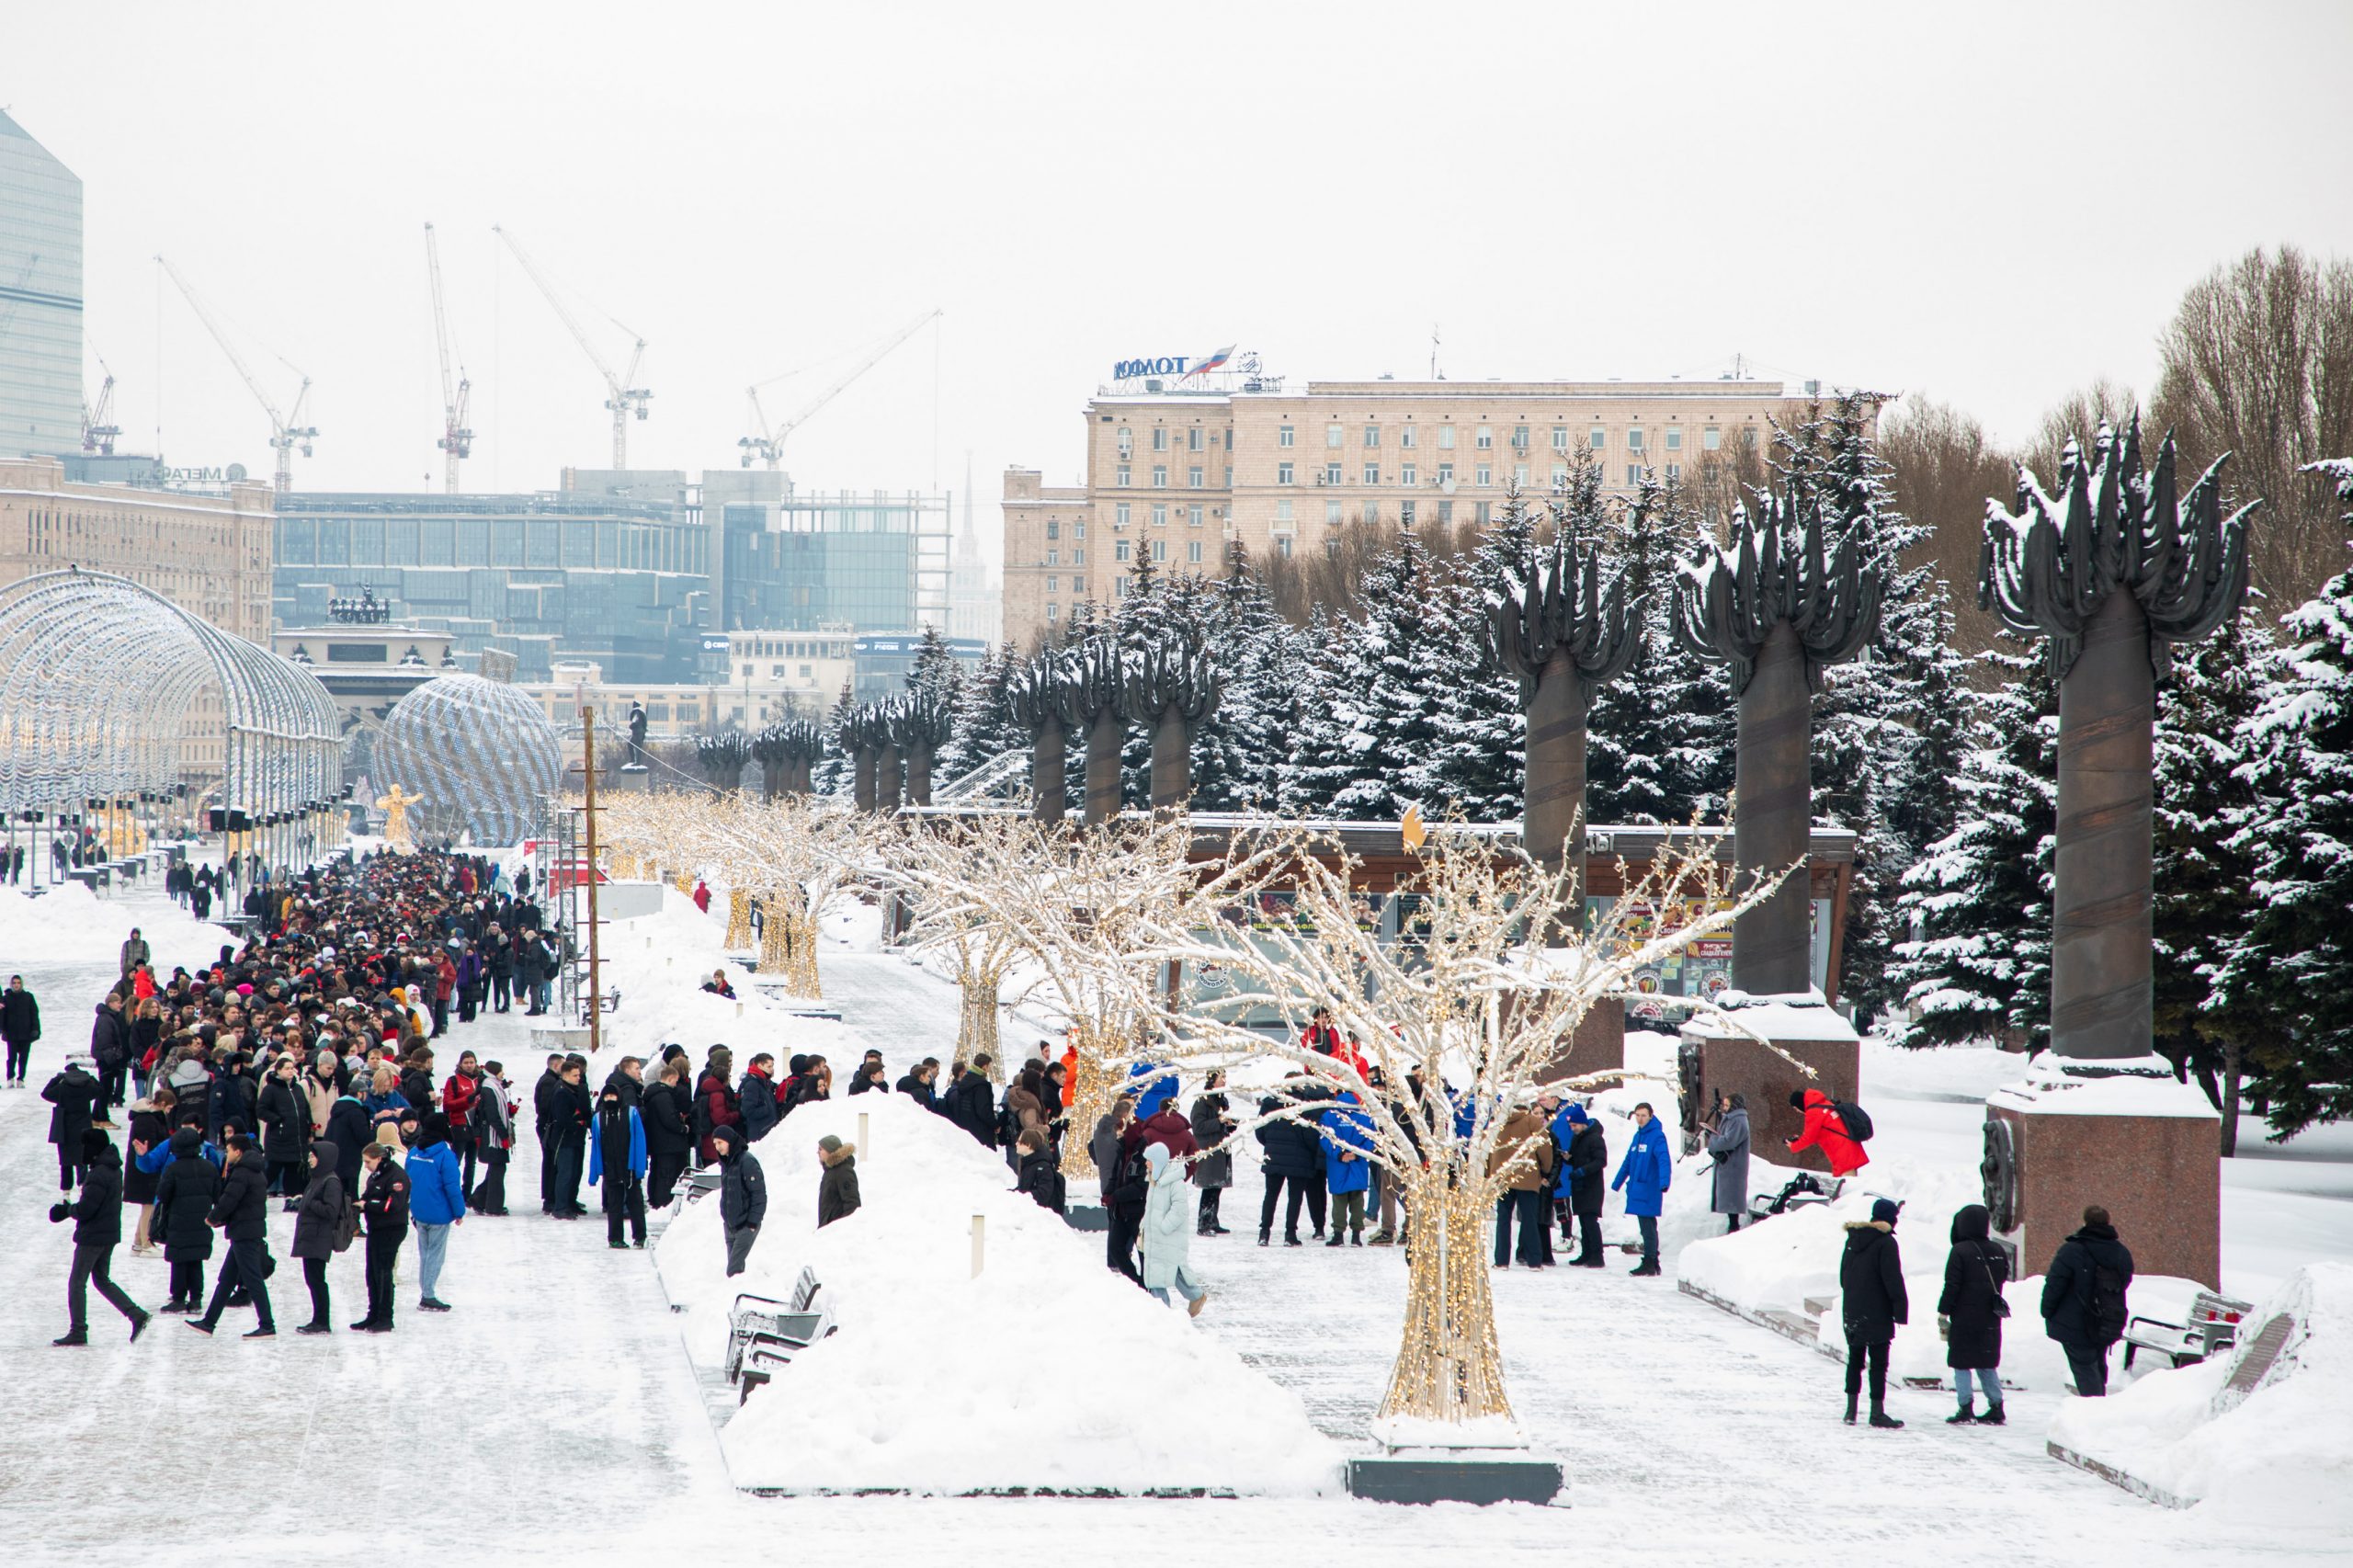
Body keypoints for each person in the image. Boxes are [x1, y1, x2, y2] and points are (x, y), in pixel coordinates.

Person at [49, 1131, 150, 1346]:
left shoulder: (98, 1174)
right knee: (101, 1280)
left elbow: (87, 1209)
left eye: (84, 1146)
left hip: (93, 1235)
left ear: (93, 1149)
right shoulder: (112, 1169)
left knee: (77, 1282)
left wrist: (67, 1210)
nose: (81, 1152)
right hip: (108, 1233)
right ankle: (135, 1314)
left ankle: (78, 1331)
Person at [2040, 1204, 2134, 1398]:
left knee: (2085, 1369)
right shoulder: (2120, 1252)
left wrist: (2047, 1310)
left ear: (2085, 1222)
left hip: (2074, 1321)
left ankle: (2095, 1411)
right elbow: (2123, 1283)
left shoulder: (2072, 1250)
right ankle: (2099, 1401)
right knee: (2097, 1363)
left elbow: (2055, 1284)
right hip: (2107, 1319)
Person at [190, 1134, 276, 1337]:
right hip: (245, 1231)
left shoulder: (242, 1172)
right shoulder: (253, 1170)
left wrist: (213, 1218)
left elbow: (229, 1199)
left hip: (245, 1232)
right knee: (227, 1280)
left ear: (238, 1151)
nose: (226, 1154)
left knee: (253, 1279)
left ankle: (267, 1325)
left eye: (228, 1151)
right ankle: (209, 1322)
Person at [1840, 1197, 1909, 1427]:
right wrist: (1900, 1311)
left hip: (1853, 1309)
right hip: (1877, 1311)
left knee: (1855, 1360)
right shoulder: (1886, 1243)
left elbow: (1844, 1276)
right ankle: (1877, 1413)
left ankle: (1851, 1412)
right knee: (1878, 1364)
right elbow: (1893, 1280)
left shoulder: (1853, 1238)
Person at [1938, 1202, 2009, 1425]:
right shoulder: (1998, 1250)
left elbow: (1952, 1284)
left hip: (1964, 1315)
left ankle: (1965, 1406)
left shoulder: (1960, 1251)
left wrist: (1943, 1311)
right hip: (1990, 1315)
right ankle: (1996, 1406)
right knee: (1986, 1361)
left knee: (1961, 1362)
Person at [152, 1126, 222, 1312]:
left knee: (179, 1261)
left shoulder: (173, 1170)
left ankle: (178, 1298)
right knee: (195, 1260)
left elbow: (163, 1195)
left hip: (178, 1222)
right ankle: (196, 1299)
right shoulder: (209, 1167)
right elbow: (218, 1195)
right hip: (202, 1222)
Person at [1141, 1142, 1210, 1316]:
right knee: (1160, 1274)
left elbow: (1180, 1210)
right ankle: (1167, 1309)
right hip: (1156, 1237)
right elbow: (1150, 1209)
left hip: (1168, 1237)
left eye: (1149, 1160)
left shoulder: (1173, 1182)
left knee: (1171, 1271)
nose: (1146, 1163)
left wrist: (1163, 1227)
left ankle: (1165, 1312)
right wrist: (1144, 1227)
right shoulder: (1153, 1181)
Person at [406, 1112, 465, 1312]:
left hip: (419, 1211)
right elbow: (452, 1187)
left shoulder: (413, 1152)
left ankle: (426, 1291)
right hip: (439, 1214)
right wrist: (459, 1212)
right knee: (435, 1255)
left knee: (425, 1253)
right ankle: (428, 1294)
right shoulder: (445, 1156)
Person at [352, 1141, 410, 1333]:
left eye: (368, 1162)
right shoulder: (376, 1175)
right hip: (376, 1229)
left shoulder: (397, 1176)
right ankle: (374, 1314)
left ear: (379, 1158)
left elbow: (392, 1205)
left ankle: (385, 1317)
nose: (366, 1166)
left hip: (391, 1229)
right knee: (372, 1273)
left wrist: (367, 1206)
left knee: (384, 1273)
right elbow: (369, 1197)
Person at [1489, 1099, 1555, 1267]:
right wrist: (1545, 1169)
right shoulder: (1531, 1120)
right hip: (1527, 1176)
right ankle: (1534, 1261)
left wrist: (1490, 1173)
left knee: (1503, 1219)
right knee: (1529, 1219)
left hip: (1502, 1177)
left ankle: (1501, 1261)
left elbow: (1487, 1148)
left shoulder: (1498, 1121)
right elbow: (1544, 1146)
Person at [290, 1137, 346, 1334]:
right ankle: (318, 1319)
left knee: (316, 1280)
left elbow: (331, 1210)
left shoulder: (331, 1182)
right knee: (312, 1279)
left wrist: (310, 1202)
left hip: (318, 1238)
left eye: (313, 1156)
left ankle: (322, 1321)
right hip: (310, 1236)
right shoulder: (317, 1178)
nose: (310, 1159)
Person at [1611, 1101, 1671, 1276]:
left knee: (1648, 1227)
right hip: (1638, 1188)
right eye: (1637, 1115)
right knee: (1646, 1226)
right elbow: (1628, 1161)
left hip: (1649, 1188)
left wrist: (1664, 1181)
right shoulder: (1638, 1136)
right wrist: (1618, 1182)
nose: (1640, 1119)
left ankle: (1650, 1262)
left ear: (1651, 1116)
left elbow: (1663, 1160)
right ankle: (1653, 1261)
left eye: (1644, 1115)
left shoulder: (1657, 1136)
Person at [1255, 1092, 1321, 1247]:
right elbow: (1311, 1135)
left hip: (1274, 1157)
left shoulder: (1269, 1103)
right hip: (1300, 1158)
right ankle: (1290, 1234)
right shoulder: (1304, 1105)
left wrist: (1270, 1143)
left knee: (1270, 1195)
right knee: (1295, 1197)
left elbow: (1259, 1129)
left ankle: (1264, 1233)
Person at [589, 1081, 650, 1248]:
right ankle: (614, 1238)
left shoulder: (631, 1114)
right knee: (614, 1205)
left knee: (635, 1203)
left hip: (629, 1168)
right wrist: (595, 1171)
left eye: (612, 1096)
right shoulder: (599, 1118)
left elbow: (639, 1140)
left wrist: (638, 1167)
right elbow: (596, 1146)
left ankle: (640, 1236)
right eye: (607, 1096)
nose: (610, 1099)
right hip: (611, 1168)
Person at [1323, 1092, 1378, 1249]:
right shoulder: (1365, 1117)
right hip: (1358, 1165)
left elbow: (1324, 1139)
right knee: (1357, 1200)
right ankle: (1356, 1237)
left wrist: (1339, 1154)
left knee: (1339, 1201)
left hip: (1337, 1165)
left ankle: (1338, 1235)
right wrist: (1357, 1153)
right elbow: (1372, 1139)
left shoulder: (1329, 1116)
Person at [257, 1052, 313, 1204]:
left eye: (292, 1068)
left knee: (293, 1169)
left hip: (297, 1138)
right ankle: (255, 1193)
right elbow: (261, 1110)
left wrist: (310, 1127)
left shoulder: (297, 1088)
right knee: (272, 1170)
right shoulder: (271, 1089)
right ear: (279, 1071)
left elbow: (305, 1110)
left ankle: (292, 1199)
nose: (291, 1071)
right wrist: (277, 1120)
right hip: (279, 1138)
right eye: (287, 1068)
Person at [43, 1054, 104, 1191]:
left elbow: (45, 1094)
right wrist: (91, 1078)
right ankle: (83, 1184)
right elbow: (100, 1090)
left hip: (64, 1126)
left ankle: (66, 1190)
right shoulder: (87, 1087)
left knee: (65, 1159)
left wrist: (57, 1078)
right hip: (84, 1126)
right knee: (82, 1157)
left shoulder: (62, 1088)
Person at [713, 1125, 766, 1276]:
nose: (717, 1147)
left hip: (745, 1225)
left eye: (720, 1143)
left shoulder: (747, 1161)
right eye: (715, 1144)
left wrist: (752, 1223)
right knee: (735, 1271)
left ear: (729, 1141)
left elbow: (759, 1195)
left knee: (733, 1270)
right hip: (730, 1225)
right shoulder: (727, 1162)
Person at [642, 1058, 693, 1209]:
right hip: (668, 1143)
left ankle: (655, 1198)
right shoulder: (664, 1096)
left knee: (658, 1171)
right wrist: (683, 1128)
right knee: (666, 1174)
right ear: (670, 1078)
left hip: (658, 1141)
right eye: (675, 1081)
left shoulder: (653, 1093)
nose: (676, 1084)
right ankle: (663, 1202)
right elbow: (669, 1119)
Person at [1189, 1070, 1234, 1236]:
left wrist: (1231, 1124)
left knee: (1216, 1188)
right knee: (1209, 1188)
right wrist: (1219, 1121)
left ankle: (1212, 1221)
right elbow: (1198, 1126)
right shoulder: (1202, 1101)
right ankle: (1203, 1224)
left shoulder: (1222, 1100)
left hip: (1220, 1148)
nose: (1224, 1080)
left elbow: (1222, 1124)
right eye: (1221, 1077)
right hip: (1209, 1150)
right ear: (1212, 1080)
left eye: (1225, 1076)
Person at [467, 1060, 515, 1215]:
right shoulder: (489, 1088)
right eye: (501, 1071)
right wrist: (504, 1135)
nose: (503, 1074)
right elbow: (493, 1115)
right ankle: (493, 1206)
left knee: (496, 1169)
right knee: (497, 1169)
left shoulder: (492, 1086)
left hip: (491, 1134)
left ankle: (479, 1200)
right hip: (493, 1136)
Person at [1787, 1087, 1869, 1177]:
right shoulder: (1824, 1104)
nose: (1798, 1111)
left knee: (1848, 1185)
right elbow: (1819, 1132)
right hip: (1847, 1146)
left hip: (1842, 1151)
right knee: (1847, 1182)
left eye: (1796, 1108)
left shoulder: (1814, 1112)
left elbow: (1810, 1137)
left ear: (1799, 1104)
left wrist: (1793, 1146)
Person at [548, 1058, 593, 1216]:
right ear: (565, 1075)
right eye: (575, 1075)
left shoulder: (573, 1089)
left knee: (575, 1171)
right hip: (564, 1139)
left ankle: (570, 1202)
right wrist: (577, 1125)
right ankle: (560, 1207)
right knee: (565, 1173)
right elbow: (562, 1117)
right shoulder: (561, 1091)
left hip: (575, 1138)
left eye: (578, 1075)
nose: (578, 1078)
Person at [1707, 1092, 1752, 1233]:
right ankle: (1733, 1226)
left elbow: (1729, 1141)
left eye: (1727, 1105)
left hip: (1733, 1166)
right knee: (1730, 1198)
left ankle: (1734, 1228)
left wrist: (1713, 1140)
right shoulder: (1733, 1119)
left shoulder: (1738, 1121)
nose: (1724, 1108)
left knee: (1732, 1199)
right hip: (1730, 1165)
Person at [943, 1054, 996, 1148]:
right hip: (981, 1132)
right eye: (989, 1067)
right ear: (984, 1067)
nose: (990, 1070)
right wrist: (995, 1124)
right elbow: (983, 1110)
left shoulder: (965, 1081)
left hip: (967, 1130)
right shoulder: (981, 1085)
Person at [1014, 1127, 1064, 1212]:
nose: (1016, 1144)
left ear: (1028, 1144)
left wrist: (1023, 1196)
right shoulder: (1029, 1164)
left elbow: (1044, 1194)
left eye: (1019, 1141)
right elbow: (1025, 1187)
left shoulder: (1043, 1167)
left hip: (1040, 1216)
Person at [3, 973, 40, 1087]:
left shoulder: (28, 997)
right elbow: (2, 1016)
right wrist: (3, 1030)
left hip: (26, 1034)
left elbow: (34, 1014)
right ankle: (10, 1078)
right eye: (14, 983)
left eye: (18, 983)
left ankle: (21, 1079)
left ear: (21, 984)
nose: (16, 985)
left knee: (23, 1058)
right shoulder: (6, 998)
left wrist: (35, 1029)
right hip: (12, 1034)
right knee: (12, 1058)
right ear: (11, 984)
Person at [816, 1133, 861, 1227]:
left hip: (837, 1233)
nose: (817, 1152)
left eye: (821, 1149)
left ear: (830, 1151)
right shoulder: (829, 1171)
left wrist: (841, 1229)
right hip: (828, 1231)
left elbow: (852, 1204)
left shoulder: (844, 1171)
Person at [739, 1052, 780, 1142]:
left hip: (767, 1131)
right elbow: (747, 1111)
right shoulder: (752, 1084)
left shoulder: (764, 1081)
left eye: (772, 1066)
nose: (772, 1069)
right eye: (769, 1067)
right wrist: (767, 1109)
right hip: (759, 1133)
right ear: (760, 1066)